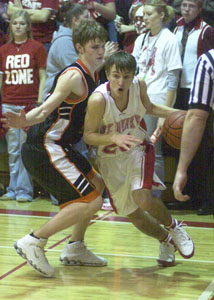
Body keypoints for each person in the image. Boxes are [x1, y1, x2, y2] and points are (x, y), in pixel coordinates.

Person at [1, 18, 108, 277]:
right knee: (91, 201)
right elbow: (46, 109)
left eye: (102, 46)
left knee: (98, 185)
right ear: (80, 48)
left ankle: (75, 247)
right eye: (95, 47)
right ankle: (34, 240)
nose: (101, 51)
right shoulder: (73, 76)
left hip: (62, 146)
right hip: (45, 147)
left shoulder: (96, 70)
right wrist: (23, 120)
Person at [83, 51, 195, 268]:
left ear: (133, 75)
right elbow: (88, 135)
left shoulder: (139, 85)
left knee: (142, 197)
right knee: (133, 214)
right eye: (116, 75)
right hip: (110, 160)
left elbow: (151, 108)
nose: (121, 81)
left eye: (126, 76)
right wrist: (113, 137)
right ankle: (166, 241)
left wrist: (182, 114)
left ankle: (174, 227)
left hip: (138, 148)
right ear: (107, 74)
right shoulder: (98, 99)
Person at [132, 0, 182, 198]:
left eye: (149, 13)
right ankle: (138, 194)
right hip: (139, 99)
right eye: (143, 14)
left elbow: (173, 79)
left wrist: (165, 113)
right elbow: (136, 70)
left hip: (158, 100)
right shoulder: (141, 39)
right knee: (136, 148)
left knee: (154, 150)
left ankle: (155, 198)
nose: (144, 17)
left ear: (161, 15)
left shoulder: (170, 39)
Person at [0, 10, 47, 202]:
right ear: (10, 26)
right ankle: (12, 188)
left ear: (28, 26)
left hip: (28, 105)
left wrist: (39, 101)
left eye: (22, 23)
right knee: (13, 150)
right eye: (15, 23)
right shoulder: (3, 50)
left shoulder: (37, 48)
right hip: (8, 103)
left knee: (25, 148)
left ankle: (24, 191)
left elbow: (43, 76)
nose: (18, 26)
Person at [173, 0, 214, 214]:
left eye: (191, 6)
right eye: (184, 5)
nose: (186, 9)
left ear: (200, 9)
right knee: (186, 144)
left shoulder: (206, 31)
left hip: (199, 89)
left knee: (204, 147)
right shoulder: (176, 26)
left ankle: (205, 198)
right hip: (180, 88)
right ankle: (186, 194)